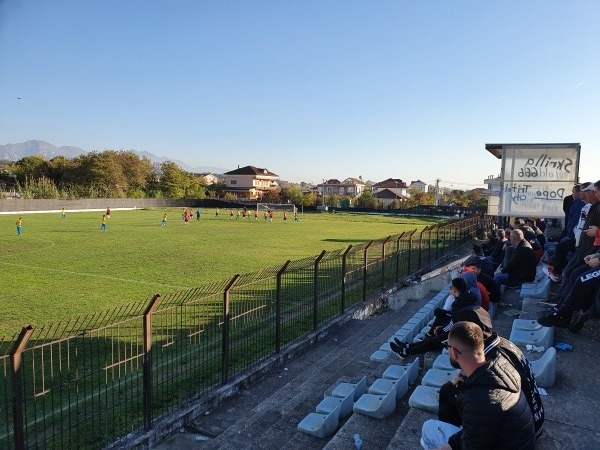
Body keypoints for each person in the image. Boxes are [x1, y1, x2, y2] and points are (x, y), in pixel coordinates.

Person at [420, 321, 535, 450]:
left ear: (454, 353)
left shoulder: (478, 401)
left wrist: (446, 447)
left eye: (448, 346)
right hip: (513, 439)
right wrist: (452, 443)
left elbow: (475, 441)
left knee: (428, 429)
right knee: (449, 391)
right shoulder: (500, 364)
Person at [391, 278, 478, 357]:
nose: (450, 289)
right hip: (463, 328)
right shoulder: (468, 297)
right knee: (440, 313)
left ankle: (404, 352)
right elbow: (455, 319)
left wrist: (441, 329)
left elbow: (454, 323)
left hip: (461, 336)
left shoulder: (459, 304)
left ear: (455, 290)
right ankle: (407, 345)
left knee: (432, 342)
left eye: (451, 288)